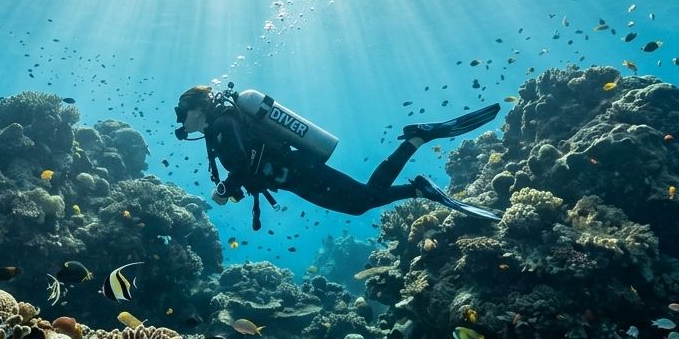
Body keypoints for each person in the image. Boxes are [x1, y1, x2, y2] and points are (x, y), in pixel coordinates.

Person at [174, 85, 502, 230]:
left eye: (181, 111)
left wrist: (225, 189)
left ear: (196, 107)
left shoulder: (221, 123)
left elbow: (245, 164)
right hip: (295, 176)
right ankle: (417, 187)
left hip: (298, 171)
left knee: (363, 198)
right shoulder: (220, 124)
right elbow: (249, 160)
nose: (180, 119)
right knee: (359, 204)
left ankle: (416, 139)